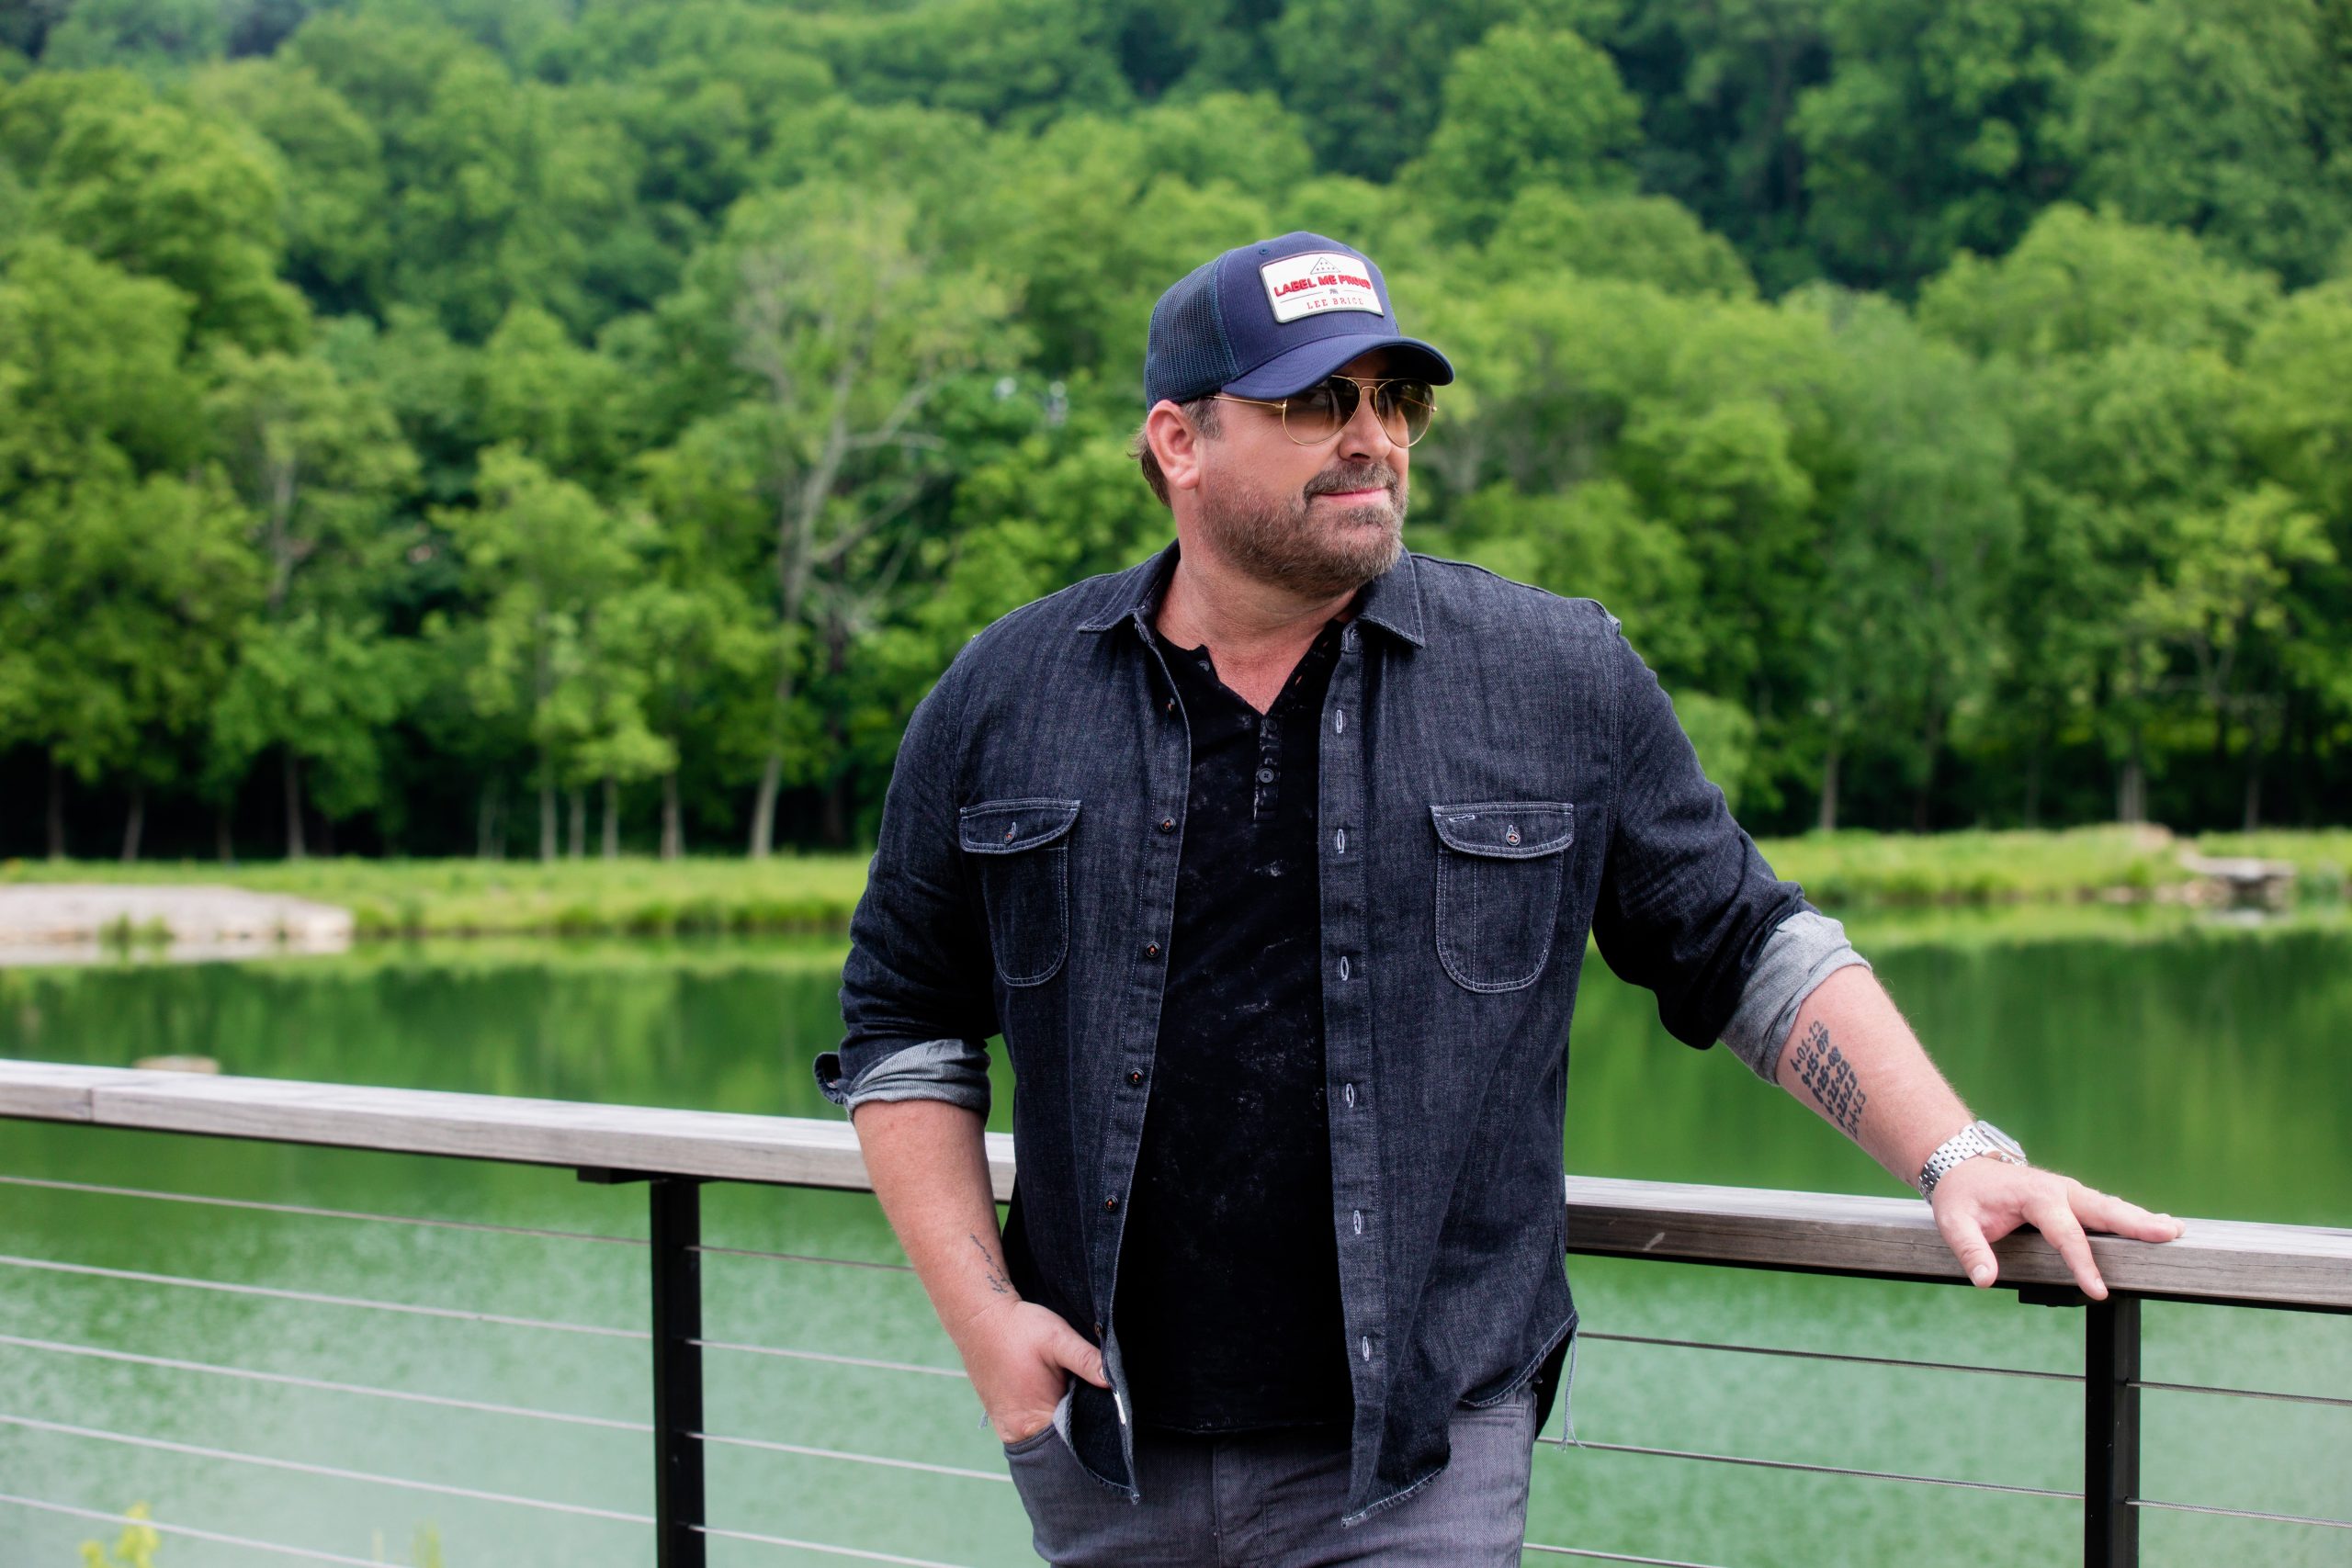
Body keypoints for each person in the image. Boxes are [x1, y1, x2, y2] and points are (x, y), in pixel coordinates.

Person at [815, 232, 2183, 1565]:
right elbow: (903, 1025)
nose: (1372, 439)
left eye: (1394, 400)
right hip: (1106, 1444)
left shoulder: (1551, 675)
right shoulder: (1005, 697)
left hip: (1422, 1461)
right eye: (1315, 403)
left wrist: (1956, 1154)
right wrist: (986, 1324)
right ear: (1180, 442)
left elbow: (1742, 942)